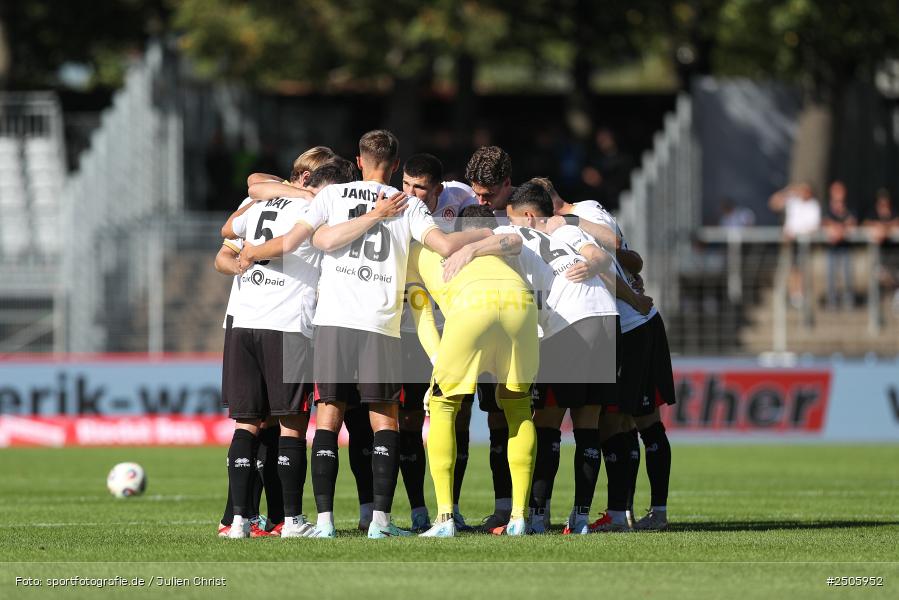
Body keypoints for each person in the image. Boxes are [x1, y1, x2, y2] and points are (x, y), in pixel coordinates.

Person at [239, 129, 491, 538]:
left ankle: (323, 522)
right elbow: (444, 246)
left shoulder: (332, 196)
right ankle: (380, 522)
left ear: (358, 161)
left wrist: (249, 249)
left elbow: (313, 240)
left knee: (328, 416)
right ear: (394, 166)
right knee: (384, 421)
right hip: (380, 320)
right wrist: (486, 234)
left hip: (332, 318)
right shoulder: (406, 203)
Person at [221, 161, 357, 539]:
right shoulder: (317, 212)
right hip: (286, 325)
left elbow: (229, 228)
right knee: (291, 426)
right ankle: (293, 521)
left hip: (242, 321)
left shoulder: (264, 204)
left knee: (247, 422)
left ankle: (237, 521)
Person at [536, 177, 673, 532]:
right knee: (621, 422)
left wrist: (568, 222)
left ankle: (640, 512)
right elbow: (631, 259)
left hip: (633, 324)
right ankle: (622, 513)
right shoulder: (558, 230)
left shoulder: (584, 211)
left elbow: (611, 246)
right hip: (621, 323)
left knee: (632, 421)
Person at [495, 183, 619, 535]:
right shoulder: (563, 228)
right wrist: (590, 268)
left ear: (528, 216)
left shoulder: (512, 236)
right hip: (605, 317)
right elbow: (600, 257)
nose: (510, 223)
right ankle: (579, 518)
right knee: (588, 423)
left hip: (569, 325)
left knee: (547, 421)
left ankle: (533, 518)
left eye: (513, 217)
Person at [408, 204, 539, 537]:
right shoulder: (496, 243)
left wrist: (439, 366)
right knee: (518, 406)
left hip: (471, 307)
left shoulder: (419, 250)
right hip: (521, 304)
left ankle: (445, 518)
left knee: (443, 407)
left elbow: (422, 314)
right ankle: (520, 517)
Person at [398, 153, 478, 532]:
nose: (411, 194)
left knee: (459, 418)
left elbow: (485, 217)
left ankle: (453, 506)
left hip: (460, 322)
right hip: (413, 323)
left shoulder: (461, 199)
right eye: (406, 185)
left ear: (439, 190)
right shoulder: (396, 207)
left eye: (420, 188)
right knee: (410, 419)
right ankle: (417, 508)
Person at [769, 182, 821, 308]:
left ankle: (799, 295)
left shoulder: (813, 205)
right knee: (790, 268)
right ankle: (790, 295)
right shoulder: (792, 201)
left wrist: (797, 233)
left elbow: (814, 226)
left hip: (803, 243)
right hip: (789, 243)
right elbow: (774, 203)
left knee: (801, 268)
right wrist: (788, 190)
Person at [822, 181, 857, 310]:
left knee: (848, 275)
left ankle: (848, 302)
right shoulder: (826, 207)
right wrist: (837, 228)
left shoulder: (848, 207)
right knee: (831, 275)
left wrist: (840, 229)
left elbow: (852, 221)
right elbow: (824, 222)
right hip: (831, 248)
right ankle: (832, 302)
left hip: (846, 247)